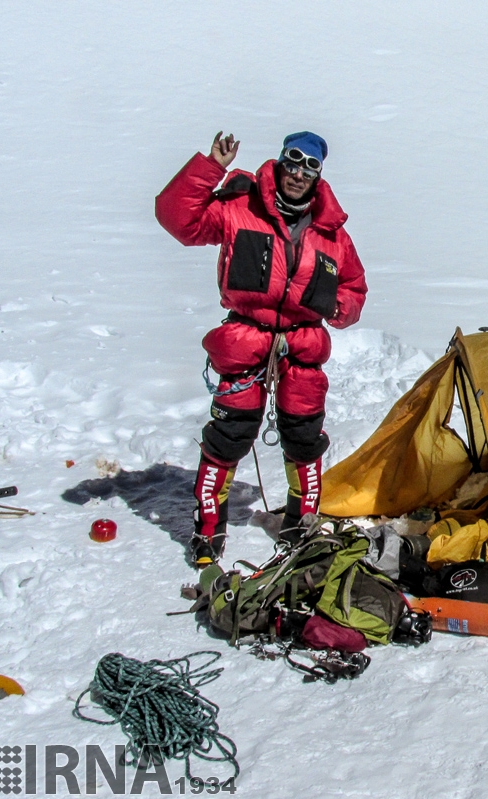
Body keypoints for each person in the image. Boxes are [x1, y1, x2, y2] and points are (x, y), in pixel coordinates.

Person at [156, 131, 366, 566]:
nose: (299, 172)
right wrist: (210, 166)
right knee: (230, 435)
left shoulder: (332, 233)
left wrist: (337, 306)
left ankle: (301, 523)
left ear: (319, 174)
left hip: (302, 345)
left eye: (310, 166)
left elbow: (354, 289)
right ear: (281, 160)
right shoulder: (241, 207)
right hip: (245, 340)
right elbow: (180, 219)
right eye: (293, 160)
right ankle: (209, 528)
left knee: (305, 439)